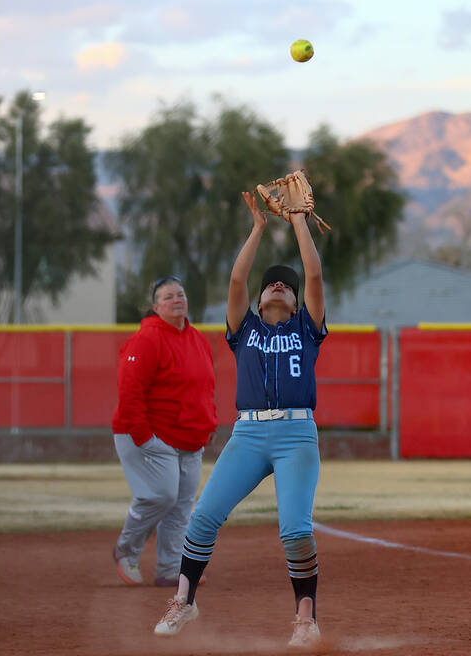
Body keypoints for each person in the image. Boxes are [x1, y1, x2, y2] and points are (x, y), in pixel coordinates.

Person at [153, 191, 327, 649]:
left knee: (295, 529)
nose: (277, 286)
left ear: (294, 302)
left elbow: (312, 272)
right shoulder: (244, 330)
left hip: (295, 434)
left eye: (285, 286)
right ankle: (184, 601)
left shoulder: (306, 330)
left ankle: (305, 619)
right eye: (272, 283)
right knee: (204, 516)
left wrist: (297, 222)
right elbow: (235, 280)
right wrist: (256, 229)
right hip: (248, 432)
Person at [111, 276, 218, 587]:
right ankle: (126, 550)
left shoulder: (197, 340)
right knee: (161, 495)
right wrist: (143, 436)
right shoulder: (146, 340)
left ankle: (170, 569)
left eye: (180, 294)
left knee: (182, 507)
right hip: (149, 435)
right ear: (156, 307)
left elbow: (205, 387)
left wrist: (208, 422)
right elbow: (129, 391)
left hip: (189, 437)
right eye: (168, 296)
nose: (177, 299)